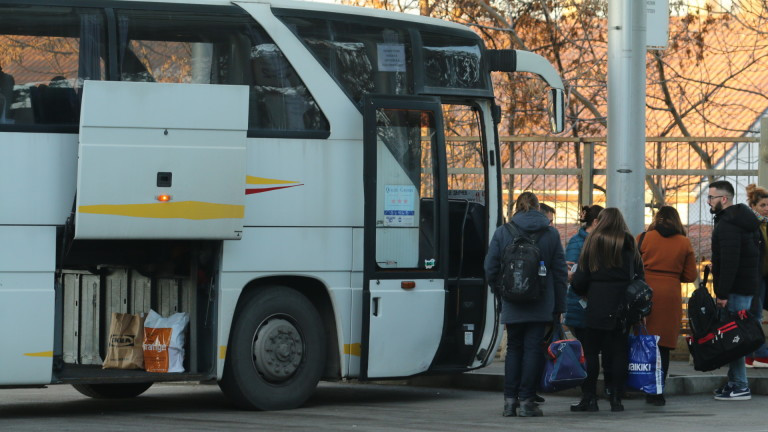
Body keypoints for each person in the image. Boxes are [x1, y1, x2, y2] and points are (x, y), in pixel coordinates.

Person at [484, 192, 567, 418]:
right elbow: (560, 273)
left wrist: (501, 291)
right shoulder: (550, 234)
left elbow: (490, 268)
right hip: (541, 302)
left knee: (513, 349)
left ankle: (510, 402)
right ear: (539, 208)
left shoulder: (503, 232)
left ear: (516, 207)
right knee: (533, 350)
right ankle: (528, 401)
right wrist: (559, 306)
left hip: (512, 301)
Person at [570, 207, 643, 412]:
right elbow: (639, 275)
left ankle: (590, 398)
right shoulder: (629, 242)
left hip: (597, 303)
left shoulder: (593, 242)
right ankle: (616, 398)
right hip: (622, 304)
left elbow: (581, 278)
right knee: (619, 351)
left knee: (591, 352)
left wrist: (579, 288)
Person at [636, 206, 697, 406]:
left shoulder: (643, 238)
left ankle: (640, 385)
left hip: (646, 292)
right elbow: (690, 276)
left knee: (644, 342)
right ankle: (658, 392)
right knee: (663, 346)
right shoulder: (684, 242)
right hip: (670, 294)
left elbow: (633, 267)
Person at [708, 180, 760, 401]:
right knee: (733, 336)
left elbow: (730, 262)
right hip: (744, 286)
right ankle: (734, 382)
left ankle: (740, 385)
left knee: (734, 338)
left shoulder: (729, 224)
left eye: (711, 198)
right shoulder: (738, 220)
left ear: (724, 199)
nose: (708, 202)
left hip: (736, 290)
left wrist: (722, 294)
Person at [745, 183, 768, 368]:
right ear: (753, 206)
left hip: (764, 275)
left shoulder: (765, 224)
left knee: (755, 314)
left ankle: (750, 356)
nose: (767, 209)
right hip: (755, 276)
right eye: (763, 205)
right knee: (755, 314)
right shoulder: (751, 225)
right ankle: (760, 355)